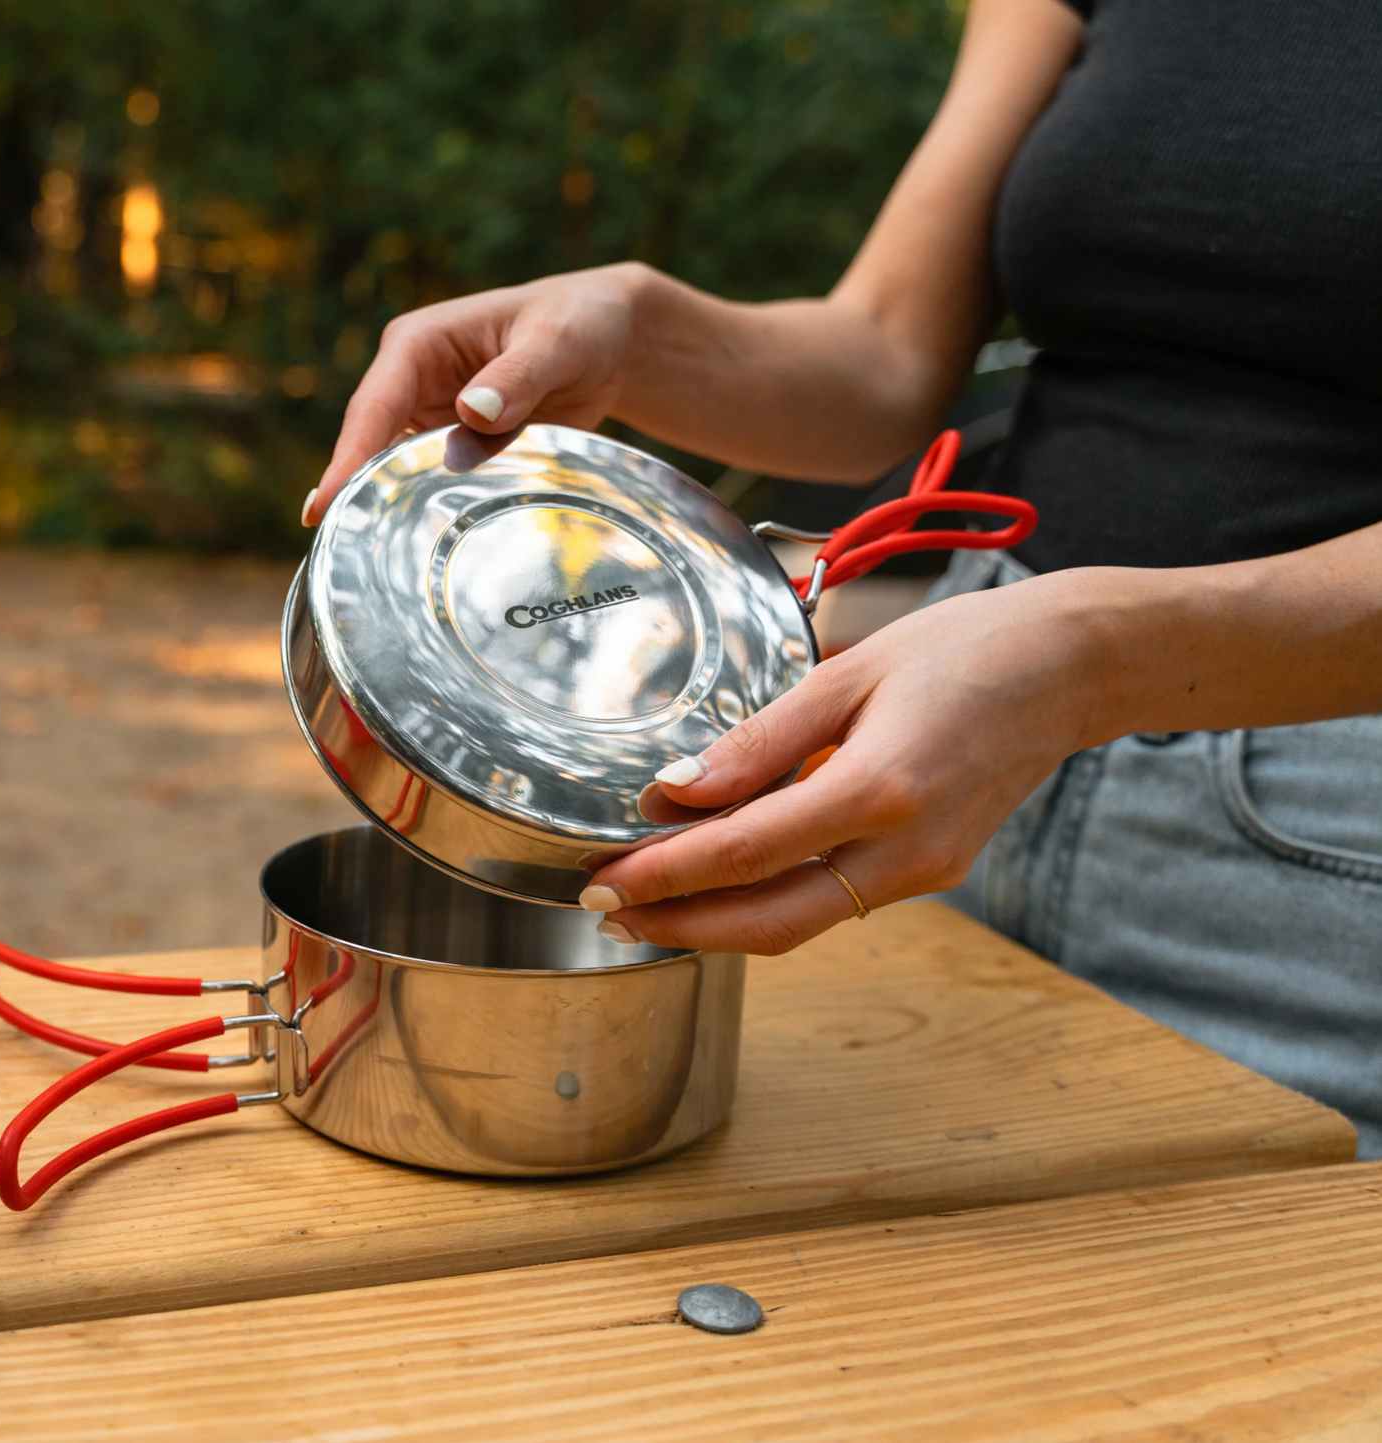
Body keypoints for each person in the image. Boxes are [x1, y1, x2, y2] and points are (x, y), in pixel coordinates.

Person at [303, 0, 1382, 1154]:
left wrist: (1092, 661)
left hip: (1331, 864)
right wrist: (638, 329)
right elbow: (882, 351)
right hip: (960, 749)